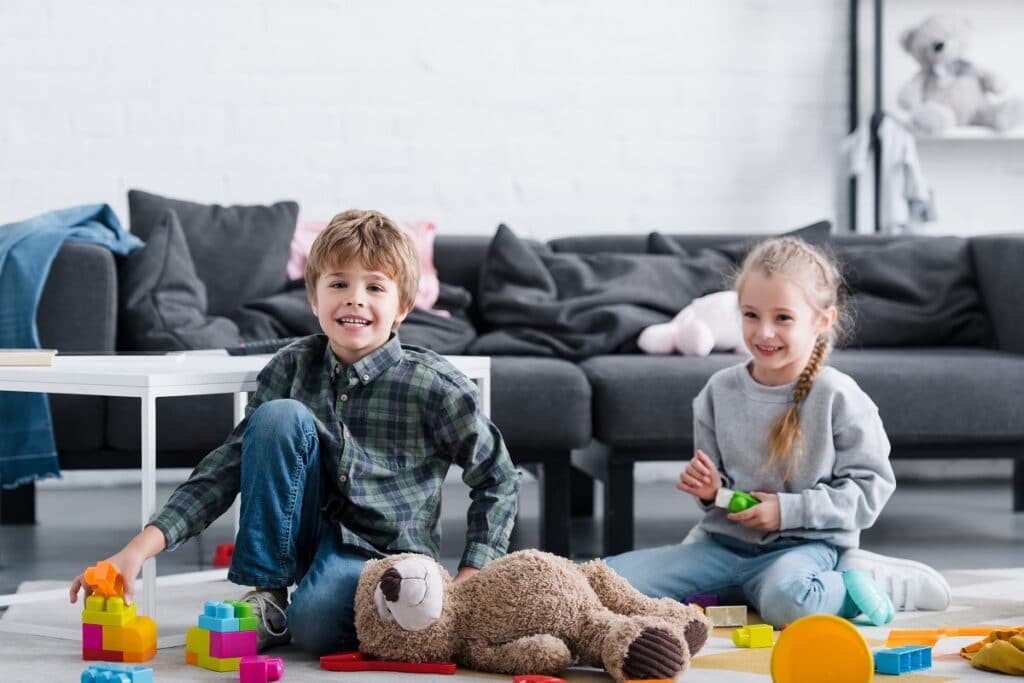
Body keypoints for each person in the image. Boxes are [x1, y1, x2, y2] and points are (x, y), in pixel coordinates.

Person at [69, 209, 521, 654]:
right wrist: (136, 550)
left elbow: (497, 476)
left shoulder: (434, 386)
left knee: (316, 628)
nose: (355, 299)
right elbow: (225, 468)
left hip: (381, 560)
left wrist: (472, 574)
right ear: (314, 298)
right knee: (278, 417)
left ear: (403, 306)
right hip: (300, 536)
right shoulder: (289, 367)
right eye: (339, 284)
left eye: (375, 287)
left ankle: (302, 613)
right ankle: (267, 592)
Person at [606, 237, 950, 627]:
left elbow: (870, 490)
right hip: (722, 545)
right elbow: (725, 495)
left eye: (782, 318)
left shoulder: (839, 396)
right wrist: (711, 491)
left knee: (791, 603)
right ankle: (745, 589)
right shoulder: (718, 392)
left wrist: (786, 512)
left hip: (806, 549)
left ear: (822, 321)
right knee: (611, 581)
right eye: (751, 315)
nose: (763, 333)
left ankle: (862, 582)